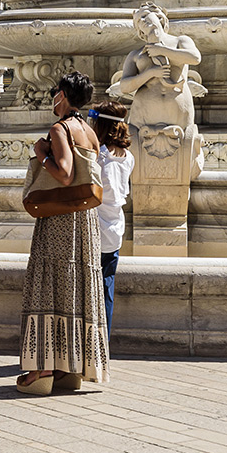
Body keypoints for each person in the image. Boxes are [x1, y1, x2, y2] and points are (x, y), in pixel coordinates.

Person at [15, 72, 109, 396]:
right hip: (85, 219)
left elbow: (66, 174)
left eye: (55, 91)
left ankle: (41, 370)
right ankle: (70, 368)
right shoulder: (90, 131)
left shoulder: (60, 129)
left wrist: (41, 153)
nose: (51, 96)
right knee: (76, 286)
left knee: (50, 283)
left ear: (64, 95)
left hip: (60, 220)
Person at [89, 104, 134, 332]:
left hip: (95, 232)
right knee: (106, 289)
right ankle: (103, 344)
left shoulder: (99, 158)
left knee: (89, 292)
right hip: (115, 231)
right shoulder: (128, 158)